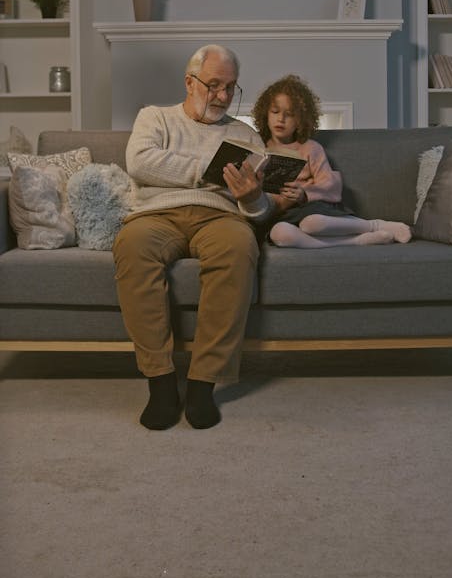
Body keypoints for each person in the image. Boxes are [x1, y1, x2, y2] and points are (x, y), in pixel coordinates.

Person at [113, 44, 272, 431]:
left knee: (239, 247)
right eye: (213, 85)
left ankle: (202, 385)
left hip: (220, 217)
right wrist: (212, 170)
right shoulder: (155, 117)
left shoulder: (245, 135)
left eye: (230, 88)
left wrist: (252, 198)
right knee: (132, 246)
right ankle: (161, 383)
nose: (221, 96)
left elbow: (260, 213)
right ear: (190, 81)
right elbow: (141, 162)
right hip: (156, 214)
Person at [251, 74, 412, 248]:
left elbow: (330, 184)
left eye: (289, 114)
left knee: (311, 224)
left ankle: (374, 225)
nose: (280, 119)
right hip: (279, 216)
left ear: (300, 121)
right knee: (279, 234)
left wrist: (304, 193)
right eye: (275, 112)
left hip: (311, 210)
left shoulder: (310, 148)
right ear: (265, 114)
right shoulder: (258, 150)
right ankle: (355, 241)